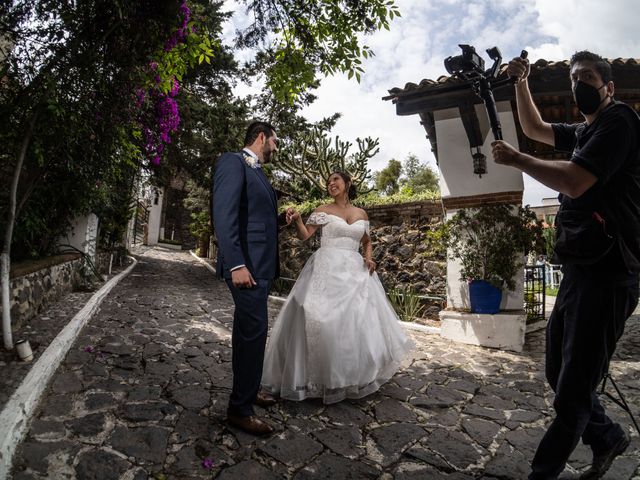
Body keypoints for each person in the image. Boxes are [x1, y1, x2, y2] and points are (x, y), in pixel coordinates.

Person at [492, 51, 640, 479]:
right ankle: (608, 435)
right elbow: (534, 128)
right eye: (576, 77)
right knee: (558, 371)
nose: (580, 84)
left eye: (589, 77)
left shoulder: (620, 122)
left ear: (608, 87)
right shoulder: (583, 132)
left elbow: (574, 181)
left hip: (611, 273)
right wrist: (521, 82)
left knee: (573, 391)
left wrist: (519, 159)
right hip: (580, 270)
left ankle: (543, 472)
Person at [261, 172, 413, 404]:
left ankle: (350, 377)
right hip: (326, 268)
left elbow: (366, 241)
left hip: (355, 271)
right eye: (329, 182)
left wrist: (369, 258)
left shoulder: (361, 213)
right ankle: (316, 377)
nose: (331, 184)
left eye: (336, 180)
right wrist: (300, 221)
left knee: (355, 322)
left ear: (348, 184)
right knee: (317, 317)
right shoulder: (322, 210)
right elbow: (305, 236)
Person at [212, 121, 286, 436]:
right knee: (255, 331)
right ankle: (239, 411)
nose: (276, 148)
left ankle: (249, 389)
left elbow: (255, 219)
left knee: (248, 334)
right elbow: (224, 213)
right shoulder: (233, 161)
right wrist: (236, 263)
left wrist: (280, 220)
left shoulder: (259, 173)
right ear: (261, 137)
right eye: (275, 142)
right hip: (246, 267)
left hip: (261, 265)